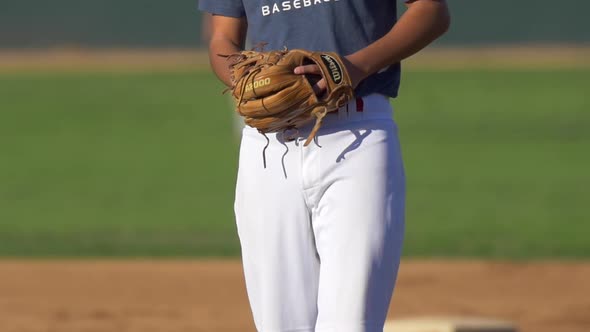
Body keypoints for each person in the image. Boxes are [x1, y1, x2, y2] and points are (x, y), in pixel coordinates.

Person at [198, 0, 450, 331]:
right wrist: (246, 80)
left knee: (351, 323)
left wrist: (355, 67)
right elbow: (222, 38)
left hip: (356, 134)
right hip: (268, 147)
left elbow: (432, 11)